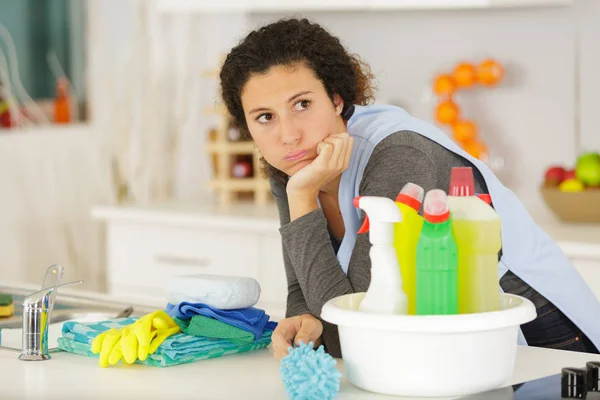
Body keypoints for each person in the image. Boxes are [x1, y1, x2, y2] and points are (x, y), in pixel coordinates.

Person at [218, 18, 600, 360]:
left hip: (541, 339)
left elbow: (361, 327)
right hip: (443, 344)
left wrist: (301, 198)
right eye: (265, 117)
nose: (287, 134)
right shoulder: (296, 163)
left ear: (336, 98)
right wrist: (304, 320)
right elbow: (306, 291)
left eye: (301, 104)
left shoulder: (398, 155)